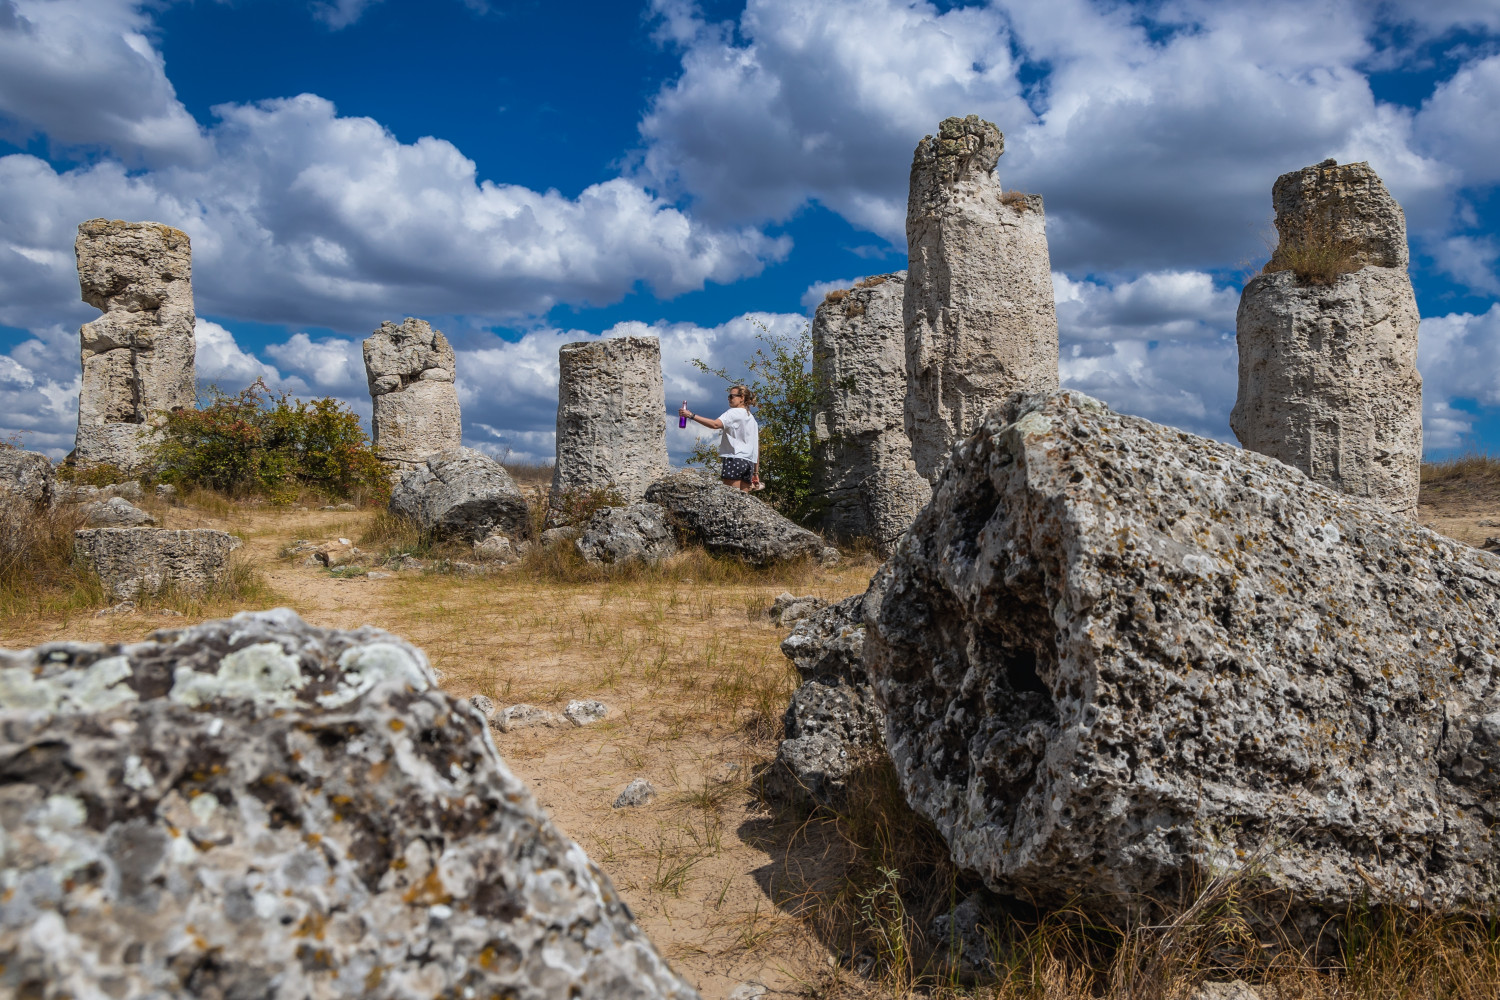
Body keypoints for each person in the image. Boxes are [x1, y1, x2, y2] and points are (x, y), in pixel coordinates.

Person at [680, 387, 760, 492]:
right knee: (742, 502)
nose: (729, 399)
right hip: (748, 463)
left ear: (742, 398)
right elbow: (756, 448)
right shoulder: (752, 420)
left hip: (734, 459)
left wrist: (691, 415)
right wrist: (755, 472)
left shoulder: (734, 413)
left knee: (731, 499)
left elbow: (715, 424)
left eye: (731, 396)